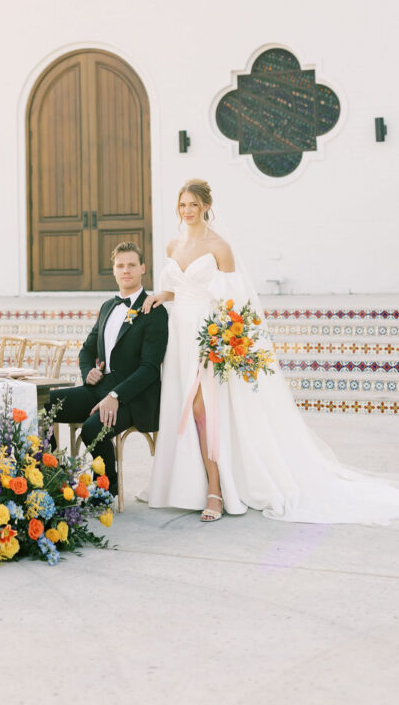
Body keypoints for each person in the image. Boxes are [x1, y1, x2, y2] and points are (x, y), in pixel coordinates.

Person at [141, 178, 399, 524]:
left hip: (208, 335)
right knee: (185, 409)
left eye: (193, 204)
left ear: (205, 206)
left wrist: (223, 340)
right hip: (179, 335)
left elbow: (237, 302)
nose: (187, 211)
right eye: (182, 205)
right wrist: (161, 295)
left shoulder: (220, 246)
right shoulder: (173, 245)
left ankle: (216, 489)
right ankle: (187, 484)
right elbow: (178, 288)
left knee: (204, 410)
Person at [50, 242, 168, 498]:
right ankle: (52, 481)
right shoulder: (107, 307)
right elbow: (86, 350)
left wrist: (116, 397)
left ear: (143, 269)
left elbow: (149, 369)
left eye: (131, 265)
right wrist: (88, 372)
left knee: (93, 427)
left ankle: (106, 488)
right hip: (99, 387)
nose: (126, 271)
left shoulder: (154, 312)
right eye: (120, 265)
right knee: (44, 408)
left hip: (133, 398)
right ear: (114, 270)